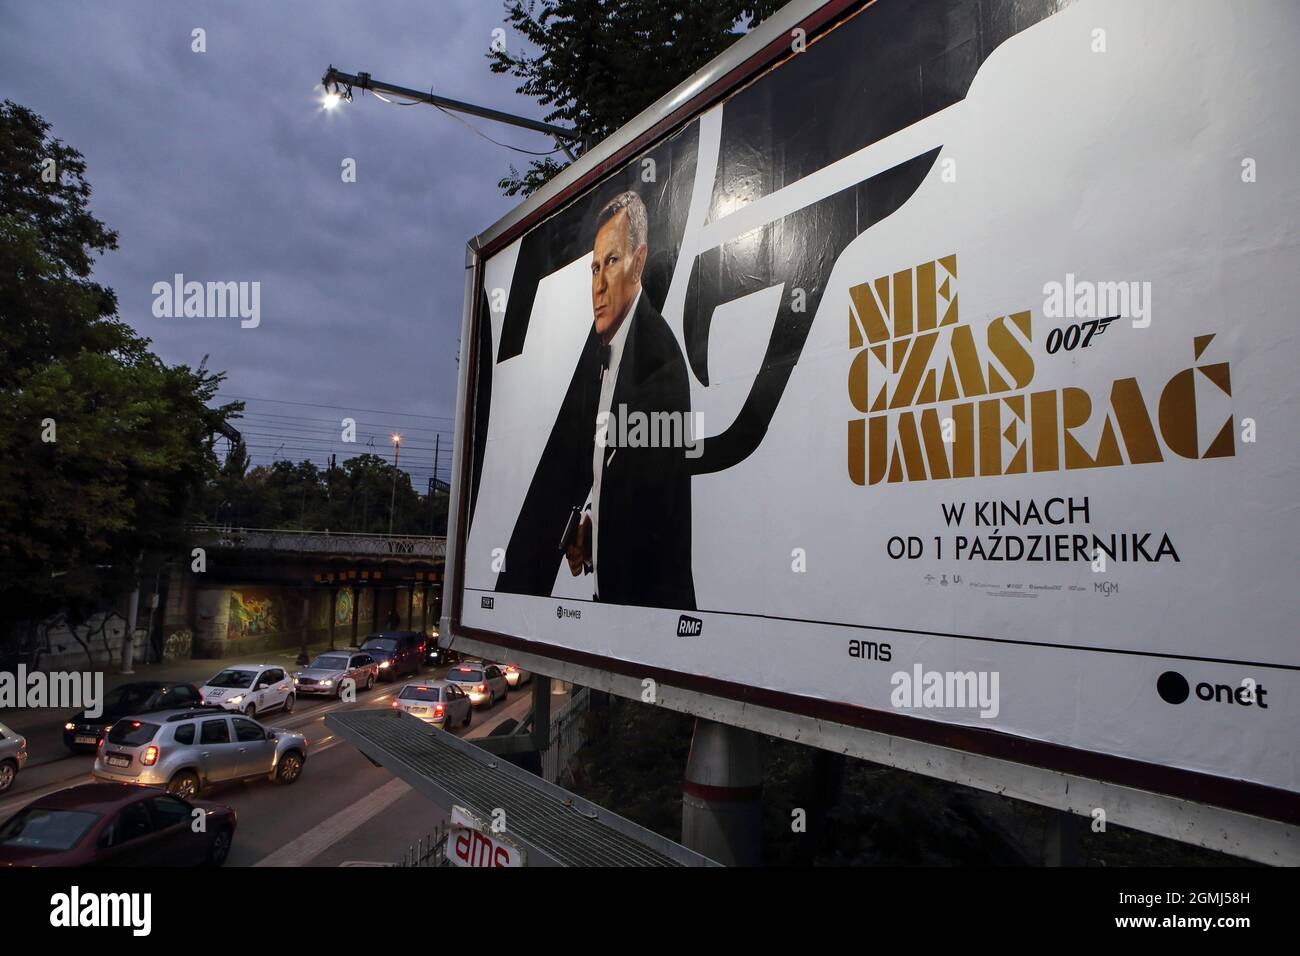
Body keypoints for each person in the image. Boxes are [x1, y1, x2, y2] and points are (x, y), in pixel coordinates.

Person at [563, 191, 695, 610]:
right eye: (595, 267)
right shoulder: (610, 350)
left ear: (639, 262)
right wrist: (589, 525)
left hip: (647, 616)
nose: (598, 284)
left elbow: (651, 510)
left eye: (613, 262)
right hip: (620, 609)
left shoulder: (657, 358)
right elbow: (619, 476)